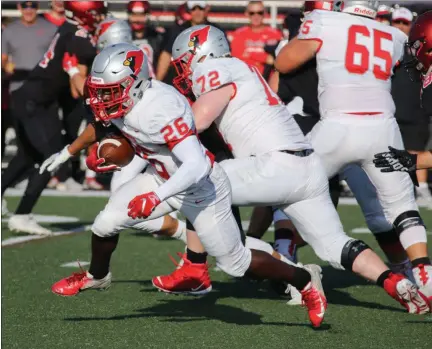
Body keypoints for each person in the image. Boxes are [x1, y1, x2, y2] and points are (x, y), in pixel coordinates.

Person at [40, 43, 327, 328]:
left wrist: (156, 197)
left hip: (200, 187)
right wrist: (68, 152)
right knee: (105, 222)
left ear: (135, 83)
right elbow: (102, 125)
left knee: (236, 264)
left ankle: (304, 282)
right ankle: (97, 276)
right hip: (161, 176)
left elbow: (196, 165)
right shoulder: (123, 99)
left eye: (109, 92)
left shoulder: (161, 107)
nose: (102, 99)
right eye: (100, 91)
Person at [160, 24, 431, 316]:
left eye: (186, 62)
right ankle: (394, 282)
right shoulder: (242, 68)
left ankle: (194, 268)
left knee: (201, 181)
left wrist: (154, 134)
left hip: (274, 165)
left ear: (201, 53)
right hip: (307, 166)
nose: (186, 71)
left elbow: (197, 122)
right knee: (334, 245)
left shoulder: (214, 69)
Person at [275, 0, 432, 304]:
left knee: (291, 189)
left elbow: (284, 62)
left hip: (337, 126)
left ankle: (292, 268)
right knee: (401, 205)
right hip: (382, 128)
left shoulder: (324, 20)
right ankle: (423, 272)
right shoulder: (393, 35)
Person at [0, 1, 107, 235]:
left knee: (28, 156)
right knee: (53, 157)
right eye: (96, 12)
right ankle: (22, 214)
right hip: (34, 102)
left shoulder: (69, 29)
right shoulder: (79, 37)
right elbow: (76, 89)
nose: (100, 17)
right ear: (85, 13)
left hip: (30, 98)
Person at [156, 1, 221, 83]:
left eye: (200, 8)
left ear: (206, 9)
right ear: (189, 11)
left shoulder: (216, 30)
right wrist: (158, 81)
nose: (197, 12)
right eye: (193, 9)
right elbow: (166, 55)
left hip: (210, 77)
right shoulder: (179, 31)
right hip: (184, 79)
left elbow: (225, 56)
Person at [228, 1, 282, 79]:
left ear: (265, 13)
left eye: (259, 13)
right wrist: (264, 58)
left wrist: (248, 55)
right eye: (252, 13)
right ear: (247, 13)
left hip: (268, 81)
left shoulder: (275, 34)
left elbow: (278, 60)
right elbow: (237, 59)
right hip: (245, 78)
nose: (256, 16)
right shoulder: (239, 34)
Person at [127, 1, 163, 78]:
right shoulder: (124, 35)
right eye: (134, 15)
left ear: (147, 15)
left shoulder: (156, 36)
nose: (137, 19)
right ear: (129, 15)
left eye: (141, 15)